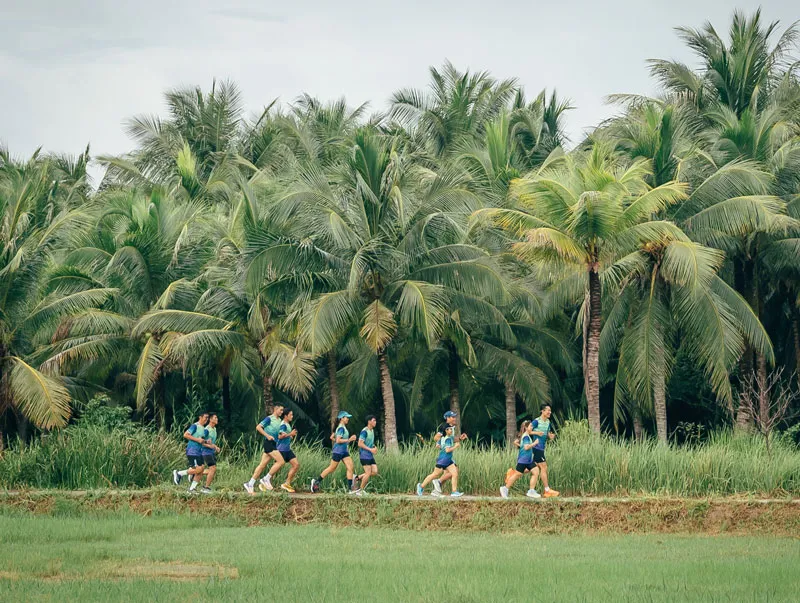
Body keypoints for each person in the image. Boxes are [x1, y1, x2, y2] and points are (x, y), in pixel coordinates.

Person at [311, 411, 357, 493]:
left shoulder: (342, 427)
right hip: (338, 452)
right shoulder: (341, 428)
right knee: (331, 468)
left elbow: (333, 438)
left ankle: (350, 489)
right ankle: (316, 481)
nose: (348, 419)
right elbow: (338, 440)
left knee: (350, 467)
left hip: (344, 451)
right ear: (341, 418)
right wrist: (349, 440)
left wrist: (343, 440)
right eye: (346, 417)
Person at [243, 403, 285, 494]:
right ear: (275, 409)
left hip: (274, 444)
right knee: (281, 461)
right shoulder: (269, 418)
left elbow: (278, 434)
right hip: (268, 443)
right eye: (280, 410)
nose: (282, 412)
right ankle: (266, 479)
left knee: (262, 465)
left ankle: (250, 484)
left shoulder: (280, 421)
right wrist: (267, 435)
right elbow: (258, 427)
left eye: (283, 410)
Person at [417, 424, 464, 497]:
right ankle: (421, 486)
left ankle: (454, 492)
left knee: (455, 474)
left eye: (451, 429)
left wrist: (460, 439)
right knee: (435, 474)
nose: (451, 430)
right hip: (443, 460)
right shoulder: (447, 439)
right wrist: (455, 446)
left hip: (448, 460)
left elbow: (437, 445)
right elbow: (448, 450)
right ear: (446, 430)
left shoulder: (444, 438)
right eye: (450, 429)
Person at [500, 420, 540, 499]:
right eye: (531, 426)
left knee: (535, 471)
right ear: (526, 427)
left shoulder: (526, 435)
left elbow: (523, 446)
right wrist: (534, 443)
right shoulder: (525, 436)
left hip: (529, 460)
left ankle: (531, 491)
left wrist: (517, 444)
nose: (532, 427)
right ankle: (505, 488)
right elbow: (526, 447)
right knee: (517, 475)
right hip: (523, 460)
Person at [431, 411, 467, 496]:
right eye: (452, 417)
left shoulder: (451, 427)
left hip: (448, 454)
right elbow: (436, 438)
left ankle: (437, 490)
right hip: (445, 455)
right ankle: (440, 484)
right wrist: (441, 443)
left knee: (449, 473)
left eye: (455, 417)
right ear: (447, 418)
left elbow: (451, 439)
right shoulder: (444, 426)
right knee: (454, 471)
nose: (454, 418)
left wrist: (460, 439)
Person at [173, 411, 209, 488]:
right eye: (205, 417)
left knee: (201, 469)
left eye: (208, 418)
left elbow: (200, 440)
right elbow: (186, 435)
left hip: (199, 452)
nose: (207, 419)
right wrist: (198, 440)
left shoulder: (203, 429)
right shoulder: (195, 426)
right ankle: (179, 473)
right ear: (200, 417)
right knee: (199, 470)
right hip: (192, 451)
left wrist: (205, 441)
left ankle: (192, 489)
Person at [530, 405, 559, 498]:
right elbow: (528, 431)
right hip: (536, 447)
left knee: (530, 467)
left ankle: (512, 473)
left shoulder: (548, 422)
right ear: (542, 411)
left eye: (550, 411)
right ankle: (547, 490)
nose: (549, 412)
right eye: (548, 410)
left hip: (541, 447)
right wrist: (537, 433)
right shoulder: (536, 421)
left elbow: (547, 434)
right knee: (544, 466)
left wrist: (550, 436)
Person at [268, 409, 300, 493]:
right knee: (277, 468)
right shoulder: (283, 425)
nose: (292, 416)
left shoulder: (287, 425)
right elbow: (279, 436)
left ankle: (286, 483)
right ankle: (266, 482)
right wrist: (290, 434)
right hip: (281, 449)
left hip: (287, 450)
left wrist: (289, 436)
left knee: (296, 465)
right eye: (291, 415)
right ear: (286, 416)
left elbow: (284, 435)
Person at [351, 415, 378, 495]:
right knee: (368, 473)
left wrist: (374, 447)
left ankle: (357, 478)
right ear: (369, 422)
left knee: (375, 471)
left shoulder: (372, 431)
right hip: (364, 455)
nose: (375, 422)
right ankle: (361, 491)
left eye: (375, 421)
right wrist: (370, 450)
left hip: (370, 455)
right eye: (374, 420)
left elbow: (370, 443)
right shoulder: (364, 431)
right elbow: (360, 443)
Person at [198, 413, 221, 494]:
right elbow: (200, 441)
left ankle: (194, 474)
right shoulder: (206, 430)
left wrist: (215, 447)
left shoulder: (214, 429)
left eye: (217, 417)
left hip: (211, 452)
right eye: (215, 418)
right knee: (213, 468)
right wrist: (210, 446)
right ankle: (206, 488)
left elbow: (211, 442)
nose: (217, 419)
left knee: (212, 470)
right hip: (205, 452)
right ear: (210, 420)